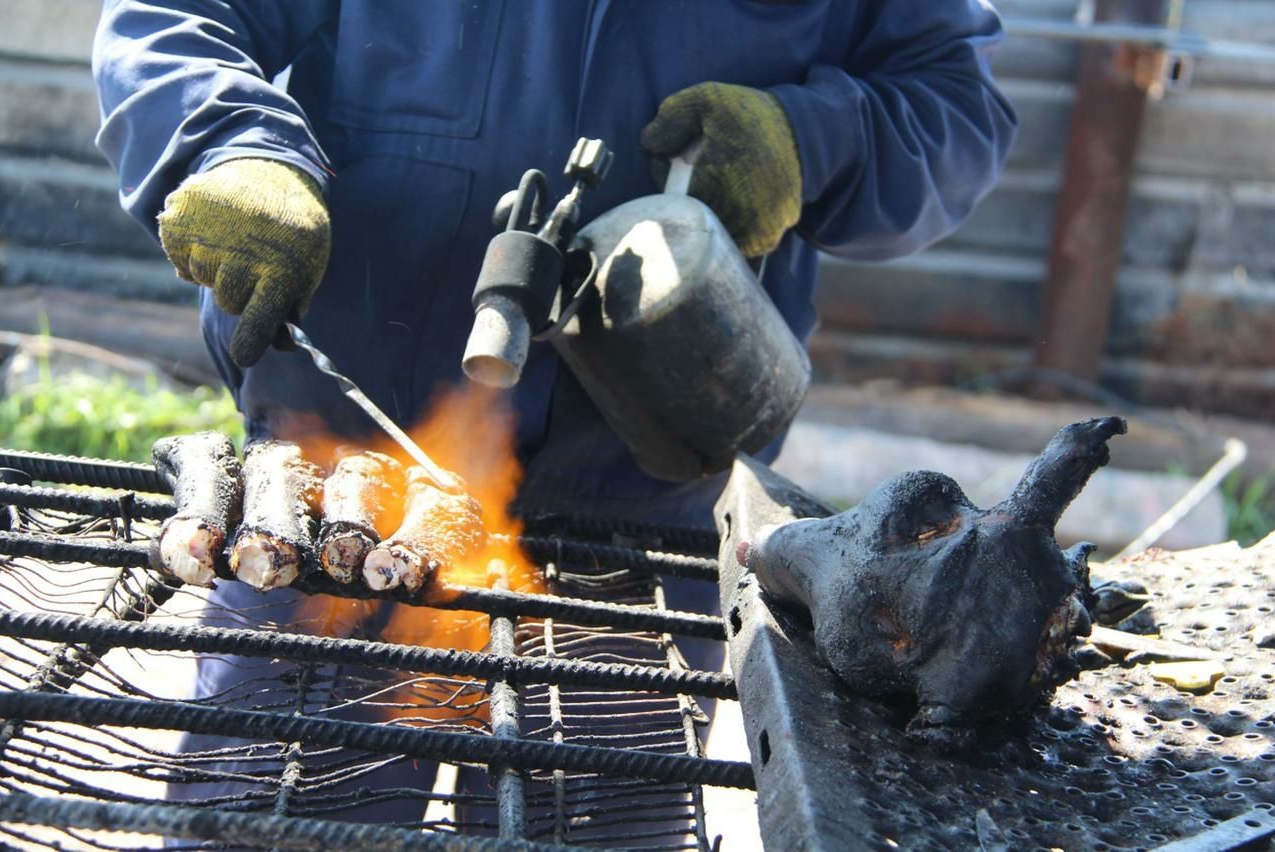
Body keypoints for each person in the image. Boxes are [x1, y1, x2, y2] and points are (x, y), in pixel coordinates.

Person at [92, 0, 1017, 837]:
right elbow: (173, 17)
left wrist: (809, 138)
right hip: (338, 498)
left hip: (642, 531)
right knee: (277, 820)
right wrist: (230, 146)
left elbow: (956, 109)